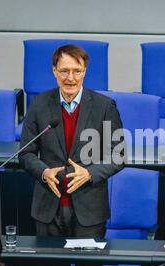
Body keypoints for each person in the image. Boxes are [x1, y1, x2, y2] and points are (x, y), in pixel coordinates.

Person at [19, 44, 124, 238]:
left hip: (89, 209)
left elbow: (118, 155)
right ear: (54, 71)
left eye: (77, 71)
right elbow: (26, 153)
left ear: (85, 72)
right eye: (64, 71)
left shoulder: (104, 106)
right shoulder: (39, 104)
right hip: (48, 208)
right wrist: (44, 172)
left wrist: (89, 173)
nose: (70, 78)